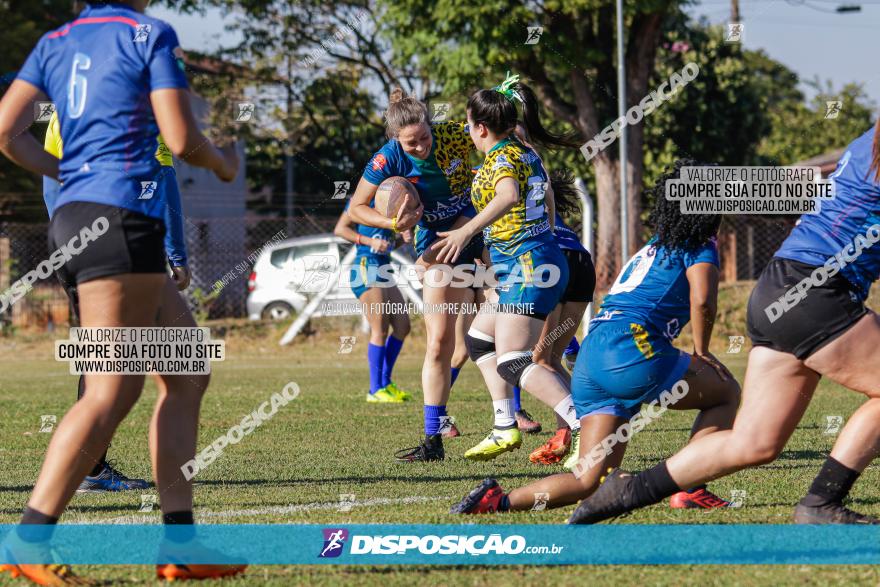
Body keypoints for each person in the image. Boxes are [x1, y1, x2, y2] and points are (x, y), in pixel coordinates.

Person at [0, 0, 244, 582]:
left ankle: (181, 544)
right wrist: (225, 165)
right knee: (111, 392)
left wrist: (70, 175)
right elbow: (182, 138)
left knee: (186, 374)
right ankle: (28, 539)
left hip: (89, 216)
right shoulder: (147, 34)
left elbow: (7, 132)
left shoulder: (57, 40)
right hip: (118, 220)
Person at [570, 128, 880, 525]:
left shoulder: (863, 144)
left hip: (777, 290)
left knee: (754, 443)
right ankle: (821, 501)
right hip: (816, 292)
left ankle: (626, 491)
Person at [451, 159, 739, 515]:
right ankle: (690, 486)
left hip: (592, 356)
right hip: (631, 348)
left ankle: (498, 501)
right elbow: (703, 299)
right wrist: (703, 350)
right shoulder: (699, 243)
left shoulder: (656, 245)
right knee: (726, 393)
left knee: (589, 479)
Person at [431, 73, 583, 462]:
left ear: (480, 127)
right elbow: (546, 191)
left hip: (529, 266)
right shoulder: (523, 151)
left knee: (514, 359)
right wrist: (543, 231)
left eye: (468, 124)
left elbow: (508, 195)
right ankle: (503, 427)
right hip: (530, 262)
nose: (467, 130)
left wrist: (465, 232)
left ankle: (583, 425)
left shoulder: (501, 157)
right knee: (480, 341)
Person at [44, 110, 189, 492]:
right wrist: (176, 253)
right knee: (164, 370)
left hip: (72, 237)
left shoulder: (66, 97)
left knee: (109, 357)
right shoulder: (144, 95)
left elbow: (48, 178)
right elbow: (162, 178)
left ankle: (86, 473)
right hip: (121, 240)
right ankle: (86, 471)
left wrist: (67, 237)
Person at [348, 88, 483, 462]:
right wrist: (391, 220)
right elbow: (357, 208)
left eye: (425, 137)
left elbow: (496, 142)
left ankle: (516, 417)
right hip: (436, 244)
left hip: (475, 228)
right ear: (395, 140)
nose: (422, 147)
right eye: (412, 144)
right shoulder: (385, 159)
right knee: (439, 342)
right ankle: (432, 439)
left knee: (506, 328)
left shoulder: (455, 133)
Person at [524, 174, 597, 467]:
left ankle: (587, 429)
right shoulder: (534, 176)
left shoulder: (495, 174)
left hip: (550, 260)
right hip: (580, 260)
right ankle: (567, 433)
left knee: (540, 360)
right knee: (552, 359)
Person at [334, 204, 412, 403]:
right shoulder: (362, 200)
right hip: (365, 266)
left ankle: (385, 384)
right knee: (380, 329)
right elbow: (340, 229)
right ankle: (375, 389)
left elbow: (386, 244)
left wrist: (401, 241)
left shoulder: (392, 201)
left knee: (403, 326)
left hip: (384, 268)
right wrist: (366, 240)